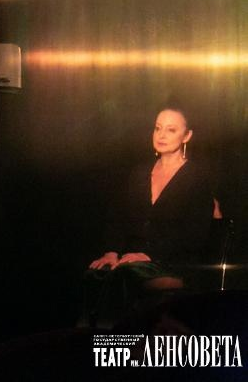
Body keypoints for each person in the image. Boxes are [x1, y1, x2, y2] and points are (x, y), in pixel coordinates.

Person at [85, 106, 220, 326]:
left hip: (174, 262)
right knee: (97, 273)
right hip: (132, 259)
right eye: (158, 128)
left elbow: (195, 234)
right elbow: (117, 218)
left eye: (171, 130)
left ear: (187, 136)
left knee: (125, 274)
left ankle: (112, 341)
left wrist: (149, 254)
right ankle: (87, 340)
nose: (161, 135)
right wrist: (111, 252)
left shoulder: (197, 178)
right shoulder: (139, 173)